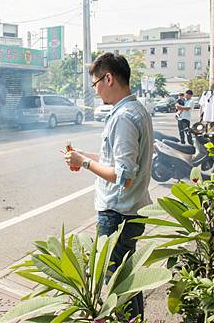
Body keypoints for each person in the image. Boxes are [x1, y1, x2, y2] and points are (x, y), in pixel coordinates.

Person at [64, 52, 153, 320]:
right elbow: (115, 161)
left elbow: (123, 176)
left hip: (118, 215)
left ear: (109, 78)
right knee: (129, 281)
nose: (96, 89)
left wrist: (85, 164)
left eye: (95, 83)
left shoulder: (124, 117)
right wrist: (83, 157)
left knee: (116, 285)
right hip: (129, 211)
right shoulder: (134, 109)